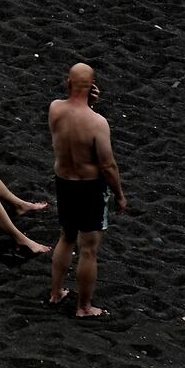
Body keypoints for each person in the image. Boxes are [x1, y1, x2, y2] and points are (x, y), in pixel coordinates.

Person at [48, 62, 128, 318]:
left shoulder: (55, 109)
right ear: (92, 87)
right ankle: (84, 307)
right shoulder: (97, 123)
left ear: (68, 82)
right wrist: (119, 194)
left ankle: (56, 292)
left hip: (64, 182)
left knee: (66, 237)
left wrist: (86, 104)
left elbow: (72, 123)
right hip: (89, 188)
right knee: (88, 248)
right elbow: (108, 165)